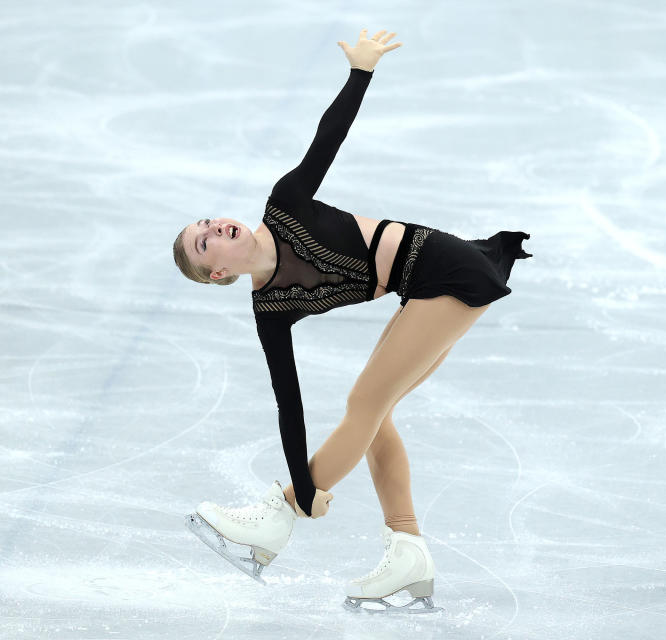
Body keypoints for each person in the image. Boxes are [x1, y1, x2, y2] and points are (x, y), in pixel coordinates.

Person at [174, 28, 531, 613]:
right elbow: (289, 405)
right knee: (375, 411)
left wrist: (360, 71)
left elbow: (327, 139)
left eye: (209, 222)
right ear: (217, 275)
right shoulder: (271, 309)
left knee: (366, 403)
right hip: (423, 289)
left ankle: (276, 519)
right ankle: (407, 548)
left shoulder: (284, 204)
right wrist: (309, 481)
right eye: (204, 242)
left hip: (446, 269)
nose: (216, 228)